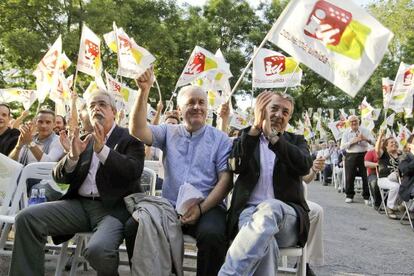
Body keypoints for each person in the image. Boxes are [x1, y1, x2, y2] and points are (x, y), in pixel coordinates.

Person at [8, 90, 145, 276]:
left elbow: (132, 172)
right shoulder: (83, 140)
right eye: (92, 106)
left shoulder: (129, 139)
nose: (96, 108)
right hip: (78, 206)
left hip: (113, 210)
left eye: (102, 104)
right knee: (26, 218)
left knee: (98, 251)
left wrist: (103, 150)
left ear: (113, 111)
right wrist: (72, 157)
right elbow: (59, 177)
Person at [127, 68, 232, 276]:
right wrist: (144, 91)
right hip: (169, 208)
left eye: (202, 102)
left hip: (208, 208)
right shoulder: (168, 131)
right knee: (133, 227)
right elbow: (137, 130)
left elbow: (226, 181)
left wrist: (200, 210)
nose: (197, 107)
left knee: (213, 235)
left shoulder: (220, 139)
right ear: (179, 108)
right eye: (191, 102)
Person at [219, 91, 312, 275]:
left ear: (289, 117)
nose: (279, 115)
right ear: (262, 110)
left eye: (285, 112)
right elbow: (235, 165)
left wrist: (273, 138)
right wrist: (255, 129)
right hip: (249, 215)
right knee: (264, 243)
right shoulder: (246, 137)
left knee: (270, 208)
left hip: (287, 219)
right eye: (274, 108)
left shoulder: (296, 141)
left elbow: (304, 166)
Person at [340, 115, 374, 204]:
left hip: (364, 154)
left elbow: (374, 141)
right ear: (349, 123)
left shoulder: (365, 130)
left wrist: (365, 139)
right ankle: (349, 195)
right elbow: (342, 146)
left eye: (355, 121)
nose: (354, 123)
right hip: (351, 154)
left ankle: (367, 196)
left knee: (365, 176)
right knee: (349, 176)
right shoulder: (346, 132)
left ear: (359, 121)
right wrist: (352, 141)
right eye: (351, 121)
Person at [302, 157, 325, 276]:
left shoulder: (291, 143)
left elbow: (305, 179)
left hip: (291, 199)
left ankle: (305, 262)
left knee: (316, 211)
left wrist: (314, 169)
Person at [375, 129, 401, 219]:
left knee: (407, 185)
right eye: (391, 142)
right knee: (396, 186)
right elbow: (377, 149)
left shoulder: (400, 155)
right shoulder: (384, 154)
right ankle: (390, 208)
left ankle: (407, 208)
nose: (394, 143)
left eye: (395, 142)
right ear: (386, 146)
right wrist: (380, 135)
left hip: (399, 179)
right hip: (384, 179)